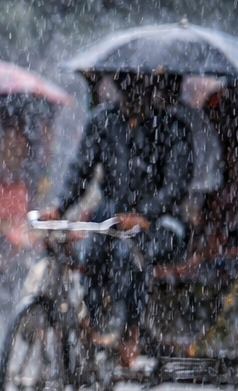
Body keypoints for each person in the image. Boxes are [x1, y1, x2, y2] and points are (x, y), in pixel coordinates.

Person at [41, 71, 194, 365]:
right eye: (130, 86)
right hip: (111, 214)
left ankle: (129, 332)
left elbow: (175, 187)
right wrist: (60, 207)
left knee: (131, 254)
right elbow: (80, 170)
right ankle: (94, 323)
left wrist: (144, 215)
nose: (136, 94)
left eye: (143, 87)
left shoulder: (172, 129)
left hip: (162, 220)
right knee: (87, 253)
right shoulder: (103, 121)